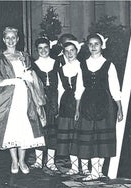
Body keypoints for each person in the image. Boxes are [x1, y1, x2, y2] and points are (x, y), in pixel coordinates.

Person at [0, 27, 46, 174]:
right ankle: (14, 161)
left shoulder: (24, 55)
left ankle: (22, 160)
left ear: (17, 39)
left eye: (13, 38)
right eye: (7, 38)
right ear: (4, 40)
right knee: (10, 128)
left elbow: (31, 74)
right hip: (6, 97)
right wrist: (12, 81)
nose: (11, 40)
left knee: (24, 127)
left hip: (24, 95)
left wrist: (28, 77)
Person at [72, 33, 123, 181]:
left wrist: (119, 108)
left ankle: (98, 171)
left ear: (102, 46)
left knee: (102, 138)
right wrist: (77, 109)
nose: (93, 47)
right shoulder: (82, 65)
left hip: (105, 104)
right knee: (90, 138)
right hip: (87, 104)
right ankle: (94, 171)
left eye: (97, 44)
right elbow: (79, 88)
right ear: (87, 46)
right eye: (91, 44)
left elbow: (115, 87)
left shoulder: (109, 64)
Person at [30, 37, 59, 173]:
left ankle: (51, 161)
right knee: (40, 130)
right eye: (40, 48)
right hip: (39, 101)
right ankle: (38, 160)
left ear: (50, 48)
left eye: (46, 47)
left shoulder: (57, 63)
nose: (43, 50)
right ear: (37, 50)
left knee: (52, 131)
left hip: (53, 101)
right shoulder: (33, 65)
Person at [56, 40, 84, 175]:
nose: (69, 53)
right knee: (69, 136)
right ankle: (73, 166)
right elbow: (60, 89)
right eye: (66, 51)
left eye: (72, 50)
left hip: (82, 103)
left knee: (80, 135)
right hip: (66, 103)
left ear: (77, 51)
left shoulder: (83, 66)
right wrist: (58, 106)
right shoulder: (62, 69)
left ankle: (84, 166)